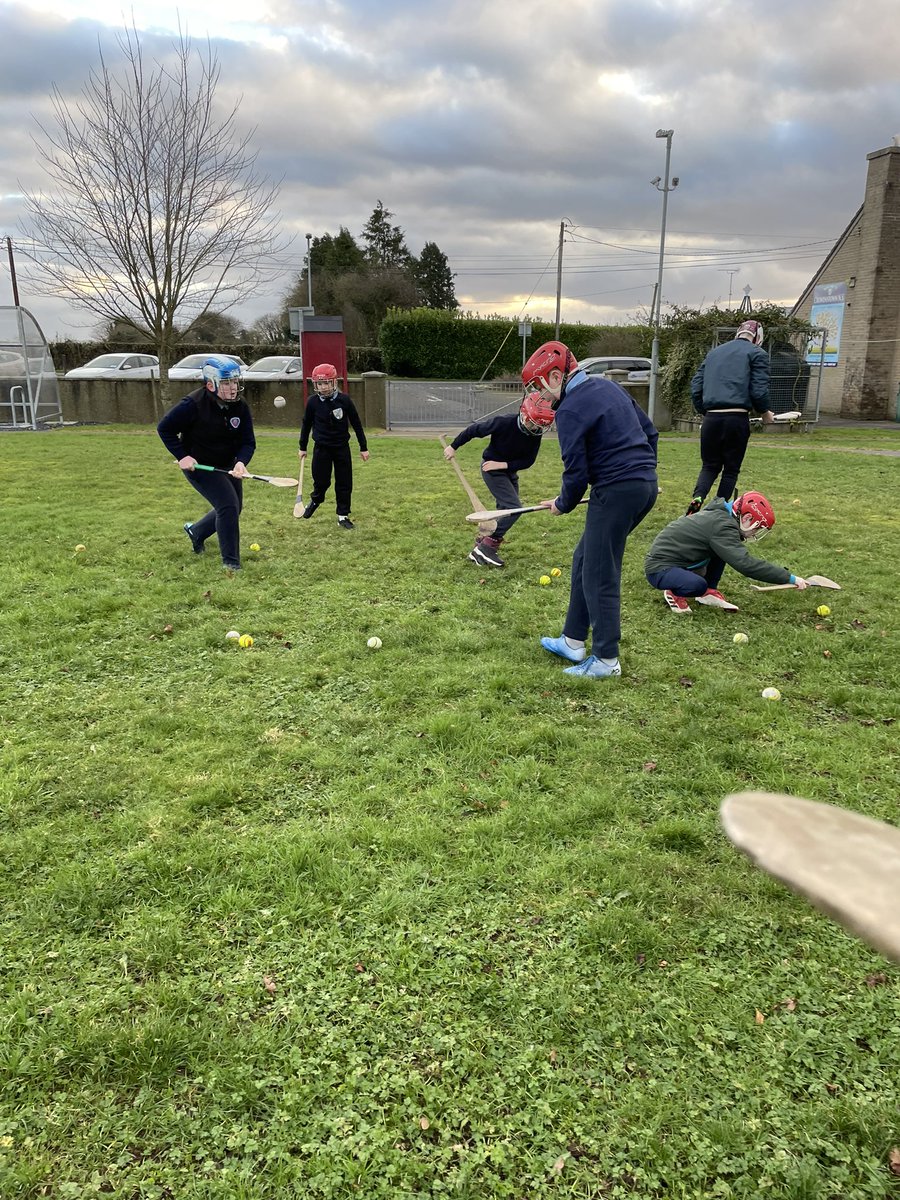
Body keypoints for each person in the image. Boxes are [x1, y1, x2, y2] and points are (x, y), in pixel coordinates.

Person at [524, 340, 659, 680]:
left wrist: (562, 504)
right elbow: (650, 432)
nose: (540, 395)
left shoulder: (569, 410)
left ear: (556, 376)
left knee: (600, 572)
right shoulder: (608, 388)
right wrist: (644, 472)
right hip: (641, 488)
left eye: (540, 387)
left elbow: (576, 472)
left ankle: (605, 659)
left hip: (616, 492)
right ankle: (572, 640)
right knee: (586, 559)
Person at [157, 355, 255, 572]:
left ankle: (197, 532)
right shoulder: (192, 404)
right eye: (227, 382)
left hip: (227, 464)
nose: (233, 387)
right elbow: (165, 428)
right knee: (228, 507)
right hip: (201, 466)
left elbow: (248, 441)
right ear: (211, 384)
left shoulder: (240, 406)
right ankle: (231, 562)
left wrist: (240, 462)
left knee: (234, 508)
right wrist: (183, 456)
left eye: (235, 382)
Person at [645, 491, 809, 614]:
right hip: (660, 569)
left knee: (723, 552)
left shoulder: (721, 517)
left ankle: (707, 591)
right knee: (696, 585)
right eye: (757, 528)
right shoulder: (723, 526)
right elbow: (746, 565)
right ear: (746, 519)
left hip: (679, 562)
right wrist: (789, 578)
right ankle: (673, 592)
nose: (755, 534)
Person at [443, 391, 556, 568]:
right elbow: (474, 430)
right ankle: (488, 546)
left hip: (507, 470)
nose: (536, 429)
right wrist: (453, 446)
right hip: (490, 470)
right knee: (515, 509)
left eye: (540, 427)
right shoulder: (503, 422)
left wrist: (502, 465)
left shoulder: (535, 432)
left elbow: (528, 460)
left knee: (505, 510)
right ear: (525, 414)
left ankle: (481, 544)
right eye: (533, 424)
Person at [686, 319, 774, 515]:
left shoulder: (714, 353)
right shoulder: (757, 354)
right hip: (736, 418)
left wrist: (706, 411)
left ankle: (697, 499)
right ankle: (717, 512)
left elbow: (695, 387)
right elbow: (758, 391)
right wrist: (765, 412)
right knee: (731, 470)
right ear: (758, 338)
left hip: (711, 418)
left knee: (709, 466)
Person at [298, 363, 369, 529]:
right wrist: (302, 447)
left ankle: (343, 516)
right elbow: (306, 425)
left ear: (334, 382)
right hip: (321, 448)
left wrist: (363, 447)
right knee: (321, 481)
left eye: (326, 383)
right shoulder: (313, 402)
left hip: (341, 449)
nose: (323, 387)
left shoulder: (344, 400)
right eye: (319, 384)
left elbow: (357, 424)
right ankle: (316, 500)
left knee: (344, 482)